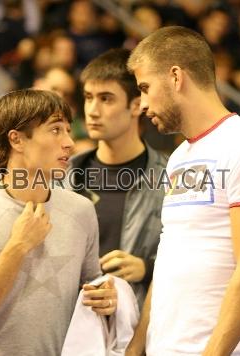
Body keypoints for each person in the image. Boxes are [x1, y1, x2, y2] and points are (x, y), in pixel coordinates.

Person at [125, 26, 240, 355]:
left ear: (175, 77)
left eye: (145, 88)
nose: (142, 104)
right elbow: (170, 258)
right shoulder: (177, 158)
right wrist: (137, 346)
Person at [0, 89, 117, 355]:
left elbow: (89, 293)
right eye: (56, 130)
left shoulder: (81, 209)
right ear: (17, 140)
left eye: (69, 130)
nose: (69, 142)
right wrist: (18, 246)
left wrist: (106, 299)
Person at [70, 48, 167, 305]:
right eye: (88, 97)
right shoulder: (63, 177)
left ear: (136, 105)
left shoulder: (170, 179)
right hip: (70, 327)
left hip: (134, 326)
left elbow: (193, 257)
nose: (92, 110)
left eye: (106, 99)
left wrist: (148, 268)